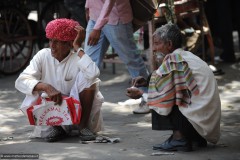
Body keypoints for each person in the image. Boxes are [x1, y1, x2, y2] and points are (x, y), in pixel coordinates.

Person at [126, 23, 221, 151]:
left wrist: (142, 94)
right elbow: (166, 78)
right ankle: (194, 137)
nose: (154, 48)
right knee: (165, 89)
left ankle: (179, 138)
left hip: (197, 118)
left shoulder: (173, 59)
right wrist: (147, 82)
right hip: (205, 121)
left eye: (157, 43)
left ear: (169, 44)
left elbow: (162, 90)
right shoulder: (188, 56)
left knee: (162, 95)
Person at [15, 18, 104, 142]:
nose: (52, 46)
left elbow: (94, 73)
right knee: (35, 86)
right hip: (50, 114)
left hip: (77, 114)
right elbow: (21, 81)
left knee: (90, 80)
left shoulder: (77, 58)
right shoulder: (43, 55)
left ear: (69, 44)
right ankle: (57, 129)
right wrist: (45, 87)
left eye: (57, 42)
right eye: (50, 41)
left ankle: (83, 127)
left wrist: (78, 47)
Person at [84, 0, 151, 114]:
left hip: (115, 18)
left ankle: (148, 98)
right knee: (88, 63)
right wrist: (88, 7)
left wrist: (98, 27)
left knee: (131, 59)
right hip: (95, 16)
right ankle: (85, 104)